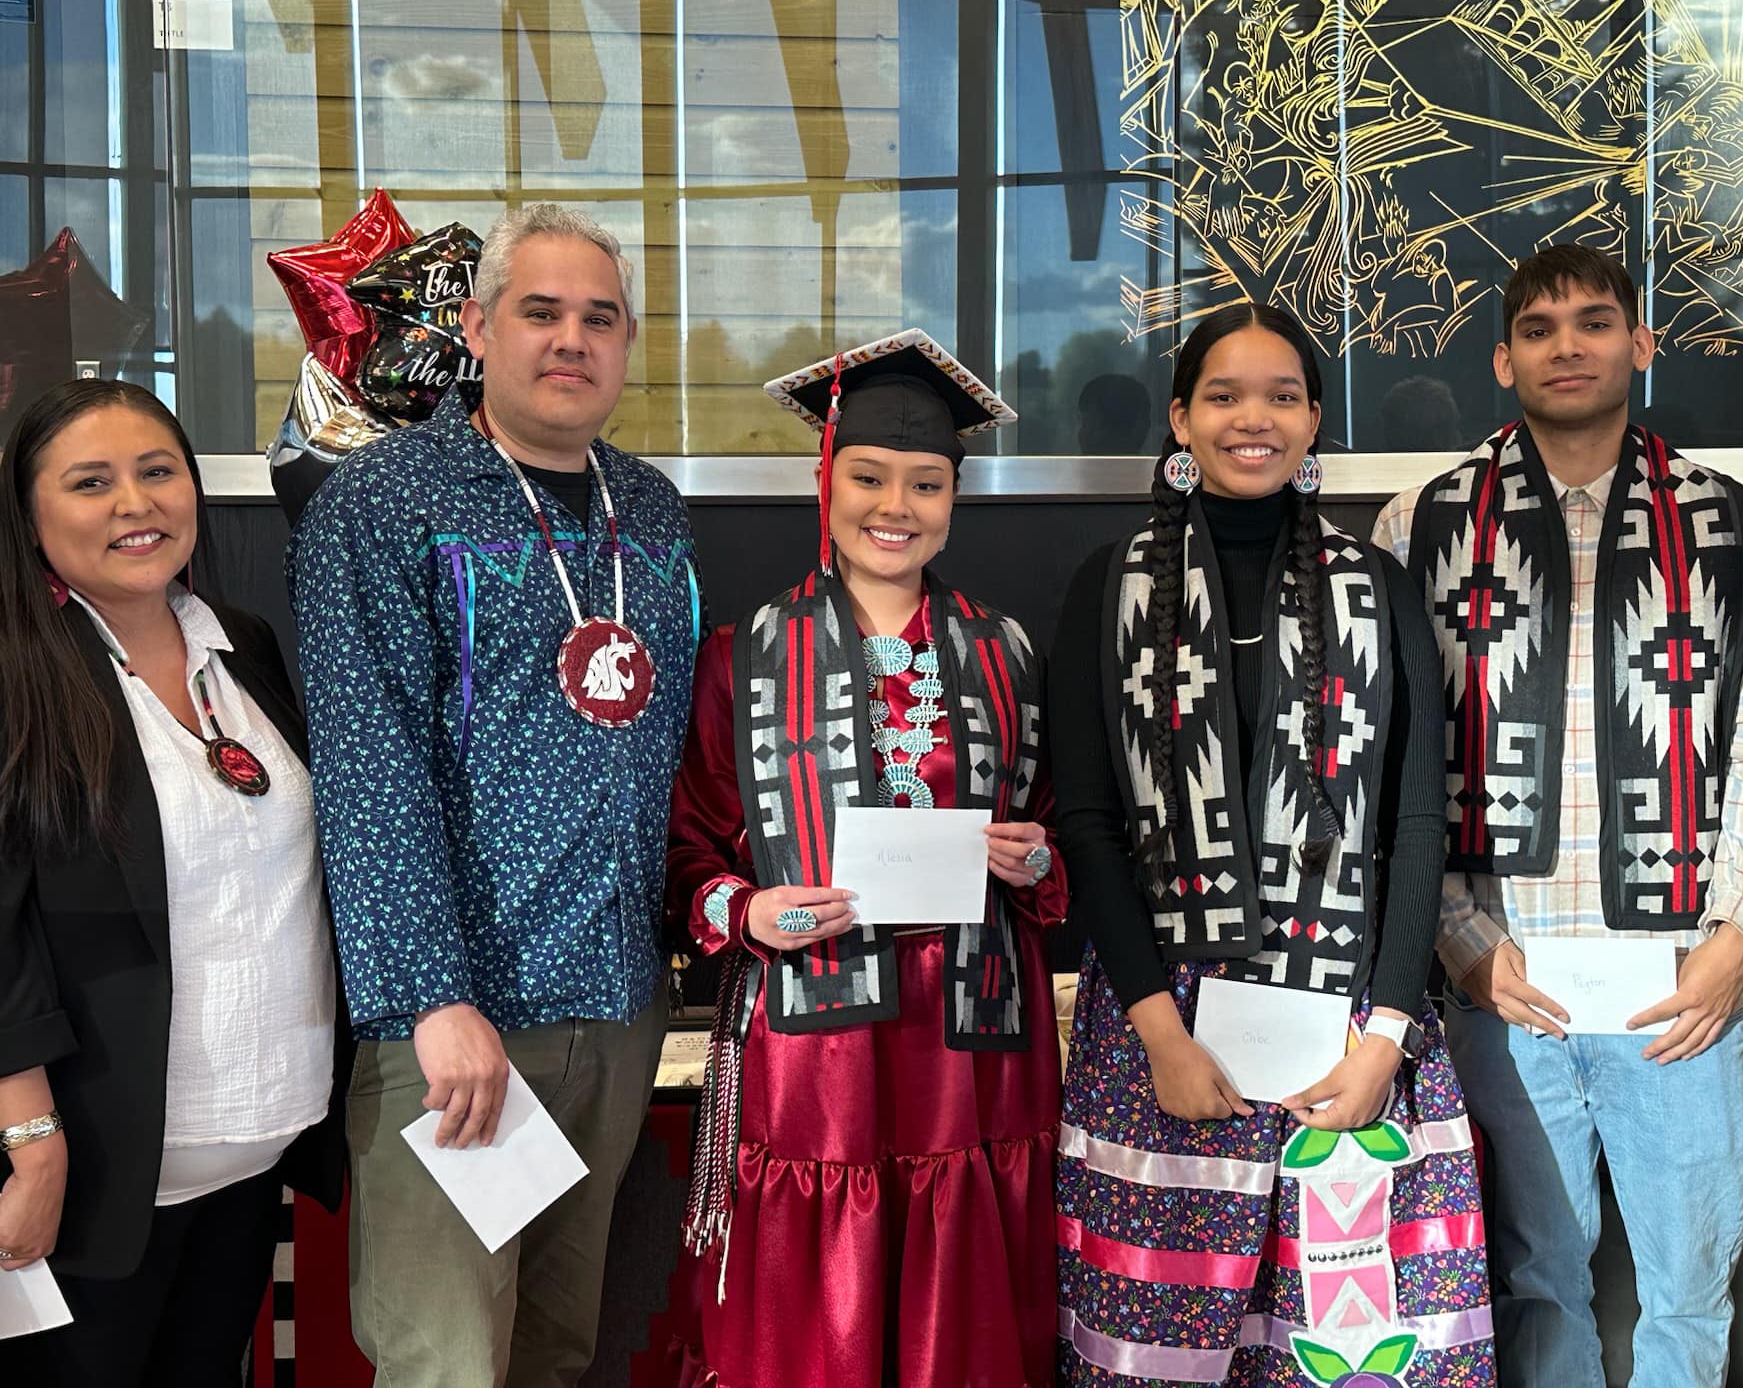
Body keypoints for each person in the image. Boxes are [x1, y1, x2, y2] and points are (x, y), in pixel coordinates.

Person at [1374, 243, 1743, 1388]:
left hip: (1681, 984)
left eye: (1596, 321)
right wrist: (1460, 944)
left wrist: (1734, 942)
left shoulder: (1733, 522)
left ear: (1640, 345)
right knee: (1528, 1284)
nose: (1569, 344)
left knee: (1686, 1293)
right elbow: (1391, 762)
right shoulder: (1417, 524)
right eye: (1541, 327)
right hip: (1505, 986)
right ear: (1503, 358)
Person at [290, 203, 703, 1386]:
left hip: (618, 1011)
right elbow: (371, 775)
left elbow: (674, 752)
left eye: (599, 318)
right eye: (538, 312)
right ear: (476, 326)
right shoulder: (382, 508)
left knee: (557, 1352)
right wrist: (431, 1001)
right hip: (461, 1025)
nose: (569, 341)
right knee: (449, 1363)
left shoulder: (655, 513)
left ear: (627, 343)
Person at [1055, 302, 1494, 1387]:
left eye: (1282, 396)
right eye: (1223, 395)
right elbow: (1087, 823)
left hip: (1346, 1022)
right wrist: (1161, 1035)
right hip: (1164, 1026)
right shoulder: (1106, 589)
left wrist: (1384, 1038)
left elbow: (1412, 819)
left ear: (1311, 423)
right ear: (1177, 417)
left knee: (1354, 1348)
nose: (1253, 420)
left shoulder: (1377, 590)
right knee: (1155, 1346)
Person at [670, 329, 1065, 1388]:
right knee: (821, 1323)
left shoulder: (1008, 652)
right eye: (869, 477)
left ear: (953, 495)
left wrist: (1032, 861)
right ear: (824, 479)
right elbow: (689, 851)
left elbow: (1060, 831)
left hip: (972, 1038)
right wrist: (744, 914)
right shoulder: (743, 656)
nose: (896, 506)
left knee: (964, 1305)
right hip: (817, 1046)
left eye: (926, 483)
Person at [0, 379, 347, 1382]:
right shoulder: (21, 678)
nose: (135, 505)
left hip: (248, 1162)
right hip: (91, 1182)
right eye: (90, 482)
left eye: (157, 473)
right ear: (29, 513)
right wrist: (31, 1140)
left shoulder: (248, 650)